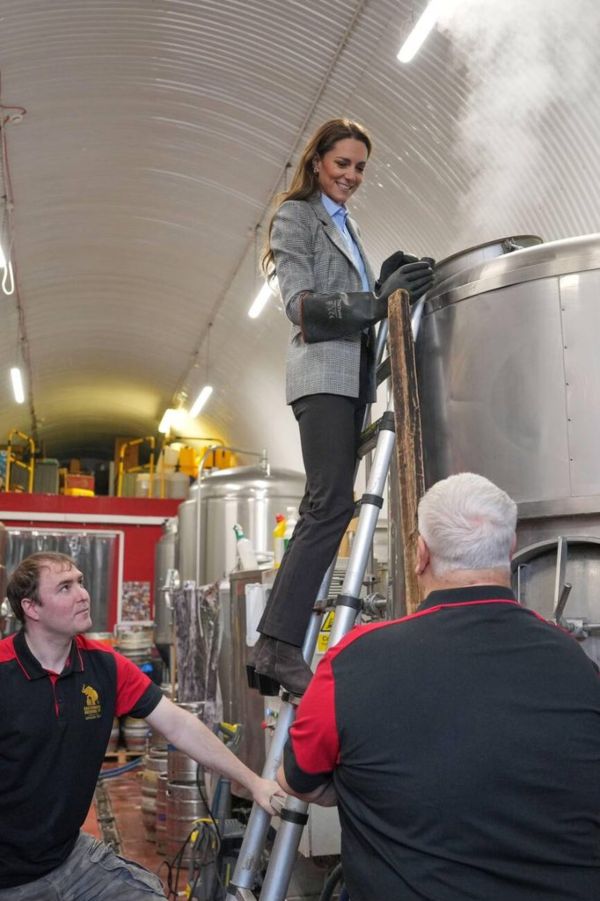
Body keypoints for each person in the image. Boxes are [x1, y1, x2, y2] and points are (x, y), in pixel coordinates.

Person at [278, 473, 600, 901]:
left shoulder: (355, 659)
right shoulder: (576, 662)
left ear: (420, 554)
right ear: (509, 548)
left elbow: (296, 779)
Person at [253, 117, 434, 695]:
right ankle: (277, 646)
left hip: (349, 380)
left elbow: (352, 298)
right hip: (322, 376)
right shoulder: (296, 215)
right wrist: (374, 300)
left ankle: (271, 649)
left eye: (359, 168)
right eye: (342, 164)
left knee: (330, 505)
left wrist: (379, 279)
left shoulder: (346, 224)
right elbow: (303, 307)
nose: (351, 176)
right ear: (316, 163)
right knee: (329, 505)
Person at [0, 552, 284, 900]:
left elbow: (180, 726)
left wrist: (254, 782)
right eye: (64, 587)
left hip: (68, 858)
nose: (82, 593)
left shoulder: (103, 666)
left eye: (81, 582)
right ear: (32, 608)